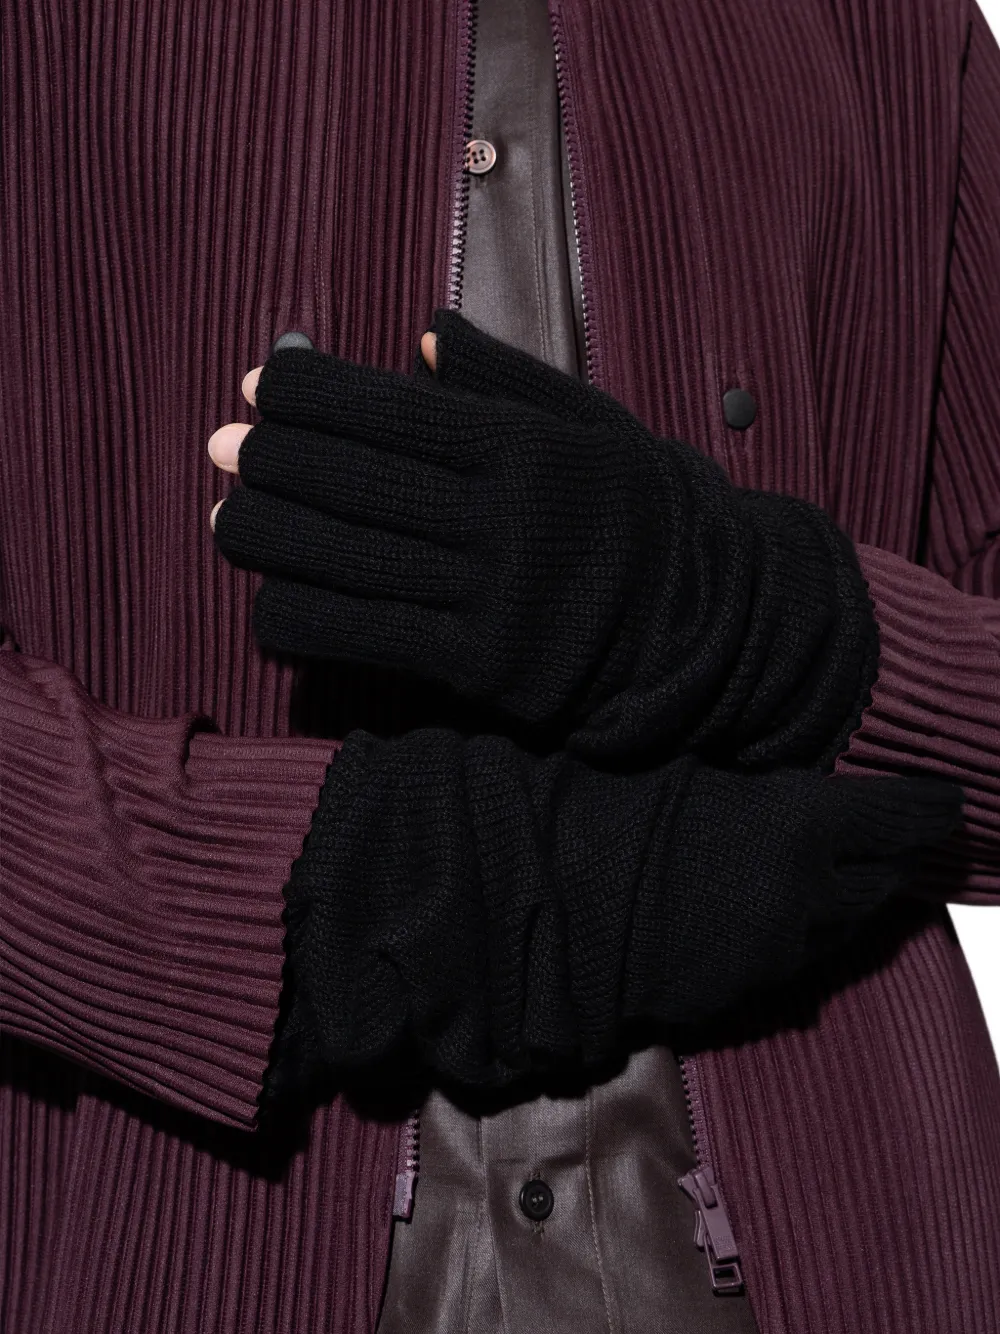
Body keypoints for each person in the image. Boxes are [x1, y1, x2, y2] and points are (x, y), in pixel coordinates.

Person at [2, 2, 999, 1333]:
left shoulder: (892, 28)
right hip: (190, 1233)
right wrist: (348, 895)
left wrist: (746, 612)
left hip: (850, 1243)